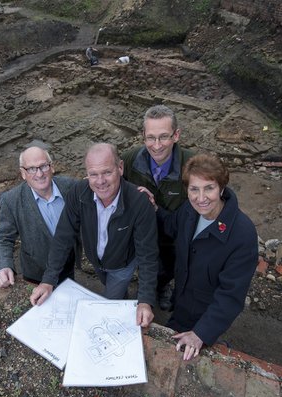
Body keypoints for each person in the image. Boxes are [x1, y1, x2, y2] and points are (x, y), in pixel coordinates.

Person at [30, 143, 158, 327]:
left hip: (122, 265)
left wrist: (145, 300)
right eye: (93, 174)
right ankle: (122, 295)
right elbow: (63, 236)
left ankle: (121, 299)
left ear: (120, 168)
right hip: (97, 262)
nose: (100, 181)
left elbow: (148, 256)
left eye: (107, 172)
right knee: (114, 288)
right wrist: (49, 279)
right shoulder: (78, 192)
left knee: (110, 302)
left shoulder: (139, 203)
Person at [156, 154, 258, 361]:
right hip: (182, 300)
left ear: (221, 188)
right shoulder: (189, 211)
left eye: (209, 188)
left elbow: (231, 296)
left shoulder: (242, 234)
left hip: (202, 316)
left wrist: (201, 334)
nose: (200, 198)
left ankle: (216, 344)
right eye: (194, 189)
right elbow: (170, 225)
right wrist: (154, 208)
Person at [121, 105, 195, 310]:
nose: (156, 145)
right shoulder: (129, 159)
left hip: (173, 237)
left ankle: (160, 287)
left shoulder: (192, 165)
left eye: (164, 137)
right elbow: (108, 181)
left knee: (167, 268)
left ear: (176, 135)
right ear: (143, 135)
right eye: (150, 137)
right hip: (140, 233)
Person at [0, 146, 76, 288]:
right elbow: (3, 238)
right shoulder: (11, 201)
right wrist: (3, 265)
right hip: (36, 273)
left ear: (52, 167)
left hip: (68, 266)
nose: (39, 174)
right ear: (23, 173)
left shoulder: (71, 188)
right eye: (31, 169)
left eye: (43, 166)